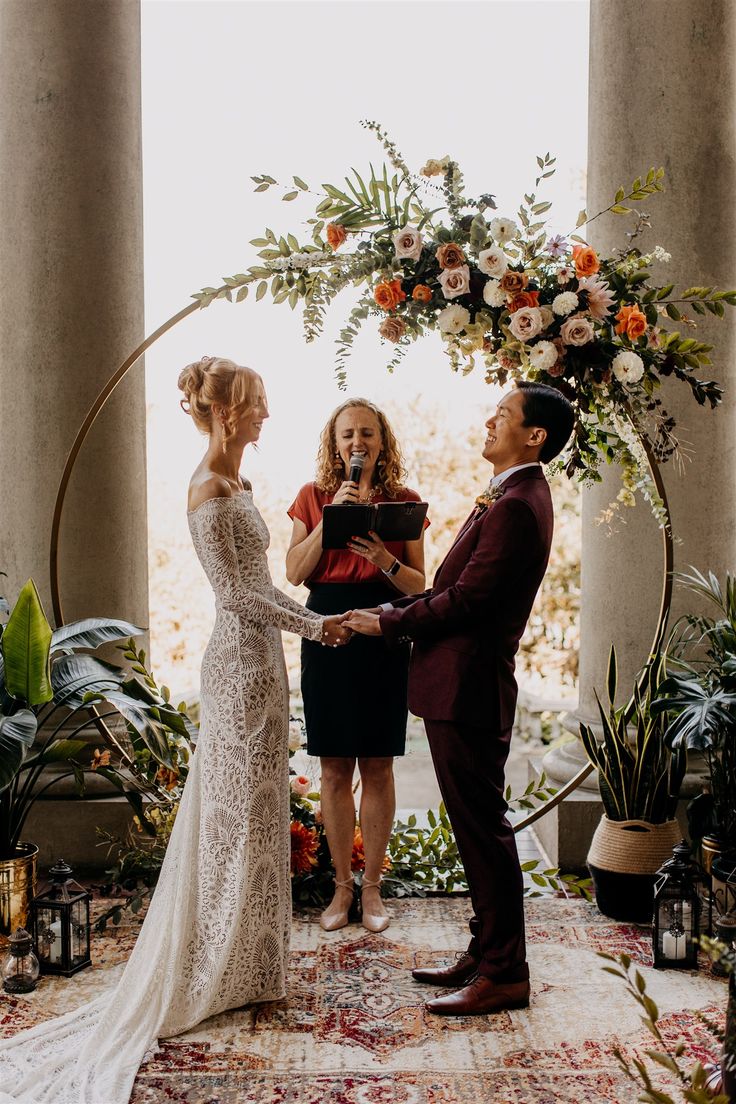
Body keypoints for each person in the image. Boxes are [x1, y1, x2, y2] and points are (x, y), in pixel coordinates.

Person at [0, 356, 350, 1103]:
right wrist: (321, 628)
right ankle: (211, 968)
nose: (265, 416)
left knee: (259, 816)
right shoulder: (208, 490)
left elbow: (263, 591)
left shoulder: (245, 485)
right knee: (229, 821)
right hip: (238, 666)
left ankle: (252, 966)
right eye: (256, 404)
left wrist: (307, 631)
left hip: (265, 665)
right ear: (225, 412)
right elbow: (240, 597)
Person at [346, 381, 574, 1015]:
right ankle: (486, 951)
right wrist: (391, 608)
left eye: (502, 415)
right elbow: (457, 587)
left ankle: (505, 973)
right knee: (477, 829)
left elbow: (469, 600)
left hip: (469, 687)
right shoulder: (511, 496)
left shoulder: (517, 505)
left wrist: (386, 621)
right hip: (460, 685)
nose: (488, 421)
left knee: (484, 831)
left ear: (534, 437)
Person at [286, 398, 427, 934]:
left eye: (367, 433)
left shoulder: (404, 502)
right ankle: (340, 887)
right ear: (334, 442)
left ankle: (373, 889)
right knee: (334, 767)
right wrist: (328, 521)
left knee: (378, 765)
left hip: (385, 626)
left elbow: (420, 585)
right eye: (348, 435)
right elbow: (296, 573)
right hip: (327, 627)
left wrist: (382, 559)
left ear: (382, 442)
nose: (357, 443)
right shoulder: (312, 496)